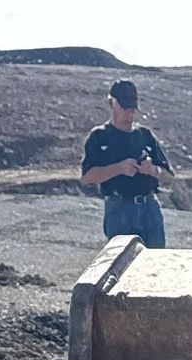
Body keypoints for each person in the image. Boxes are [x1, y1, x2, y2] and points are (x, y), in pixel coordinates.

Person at [81, 79, 173, 248]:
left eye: (131, 109)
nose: (129, 113)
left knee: (155, 259)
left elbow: (169, 177)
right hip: (119, 209)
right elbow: (87, 178)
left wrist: (152, 170)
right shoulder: (99, 137)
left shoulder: (145, 135)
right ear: (111, 103)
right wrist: (119, 169)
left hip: (149, 208)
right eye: (124, 108)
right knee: (123, 260)